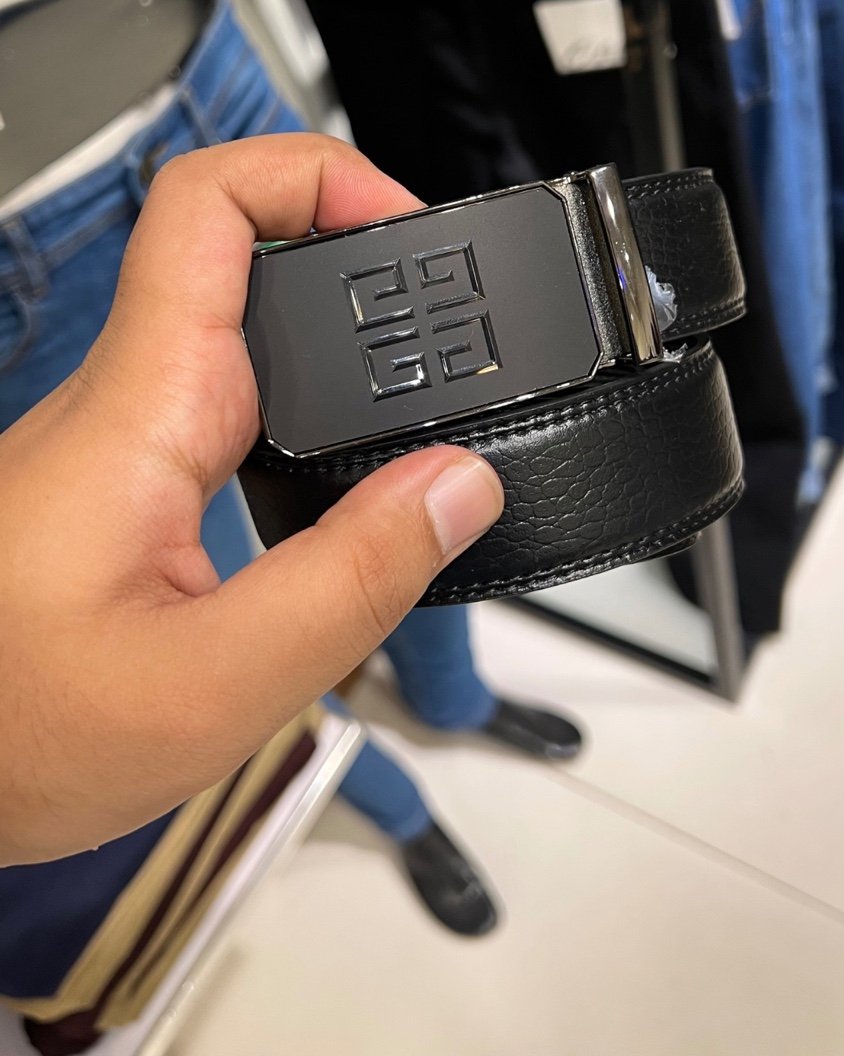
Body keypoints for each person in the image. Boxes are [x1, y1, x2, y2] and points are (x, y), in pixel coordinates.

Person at [0, 134, 506, 867]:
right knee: (218, 611)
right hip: (23, 254)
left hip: (210, 91)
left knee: (422, 461)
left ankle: (456, 699)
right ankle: (393, 806)